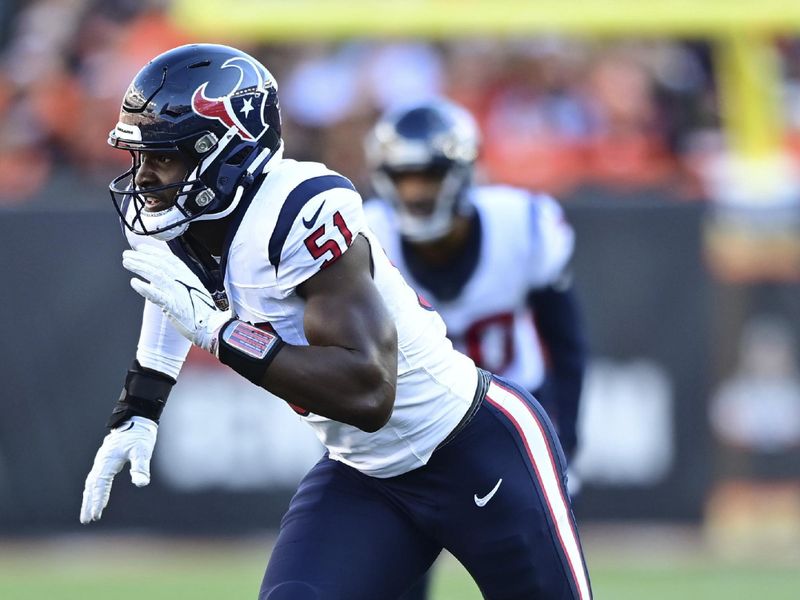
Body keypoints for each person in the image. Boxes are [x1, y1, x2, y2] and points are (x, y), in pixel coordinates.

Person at [80, 43, 592, 600]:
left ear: (224, 153)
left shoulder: (297, 210)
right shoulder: (174, 215)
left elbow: (369, 393)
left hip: (473, 446)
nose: (146, 178)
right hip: (367, 474)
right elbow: (171, 294)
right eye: (141, 157)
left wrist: (220, 335)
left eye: (164, 158)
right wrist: (139, 409)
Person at [364, 100, 588, 600]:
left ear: (462, 173)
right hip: (411, 426)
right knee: (395, 582)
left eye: (428, 175)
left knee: (533, 581)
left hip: (508, 421)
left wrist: (565, 444)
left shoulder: (524, 225)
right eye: (403, 177)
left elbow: (567, 343)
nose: (416, 191)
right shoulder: (363, 235)